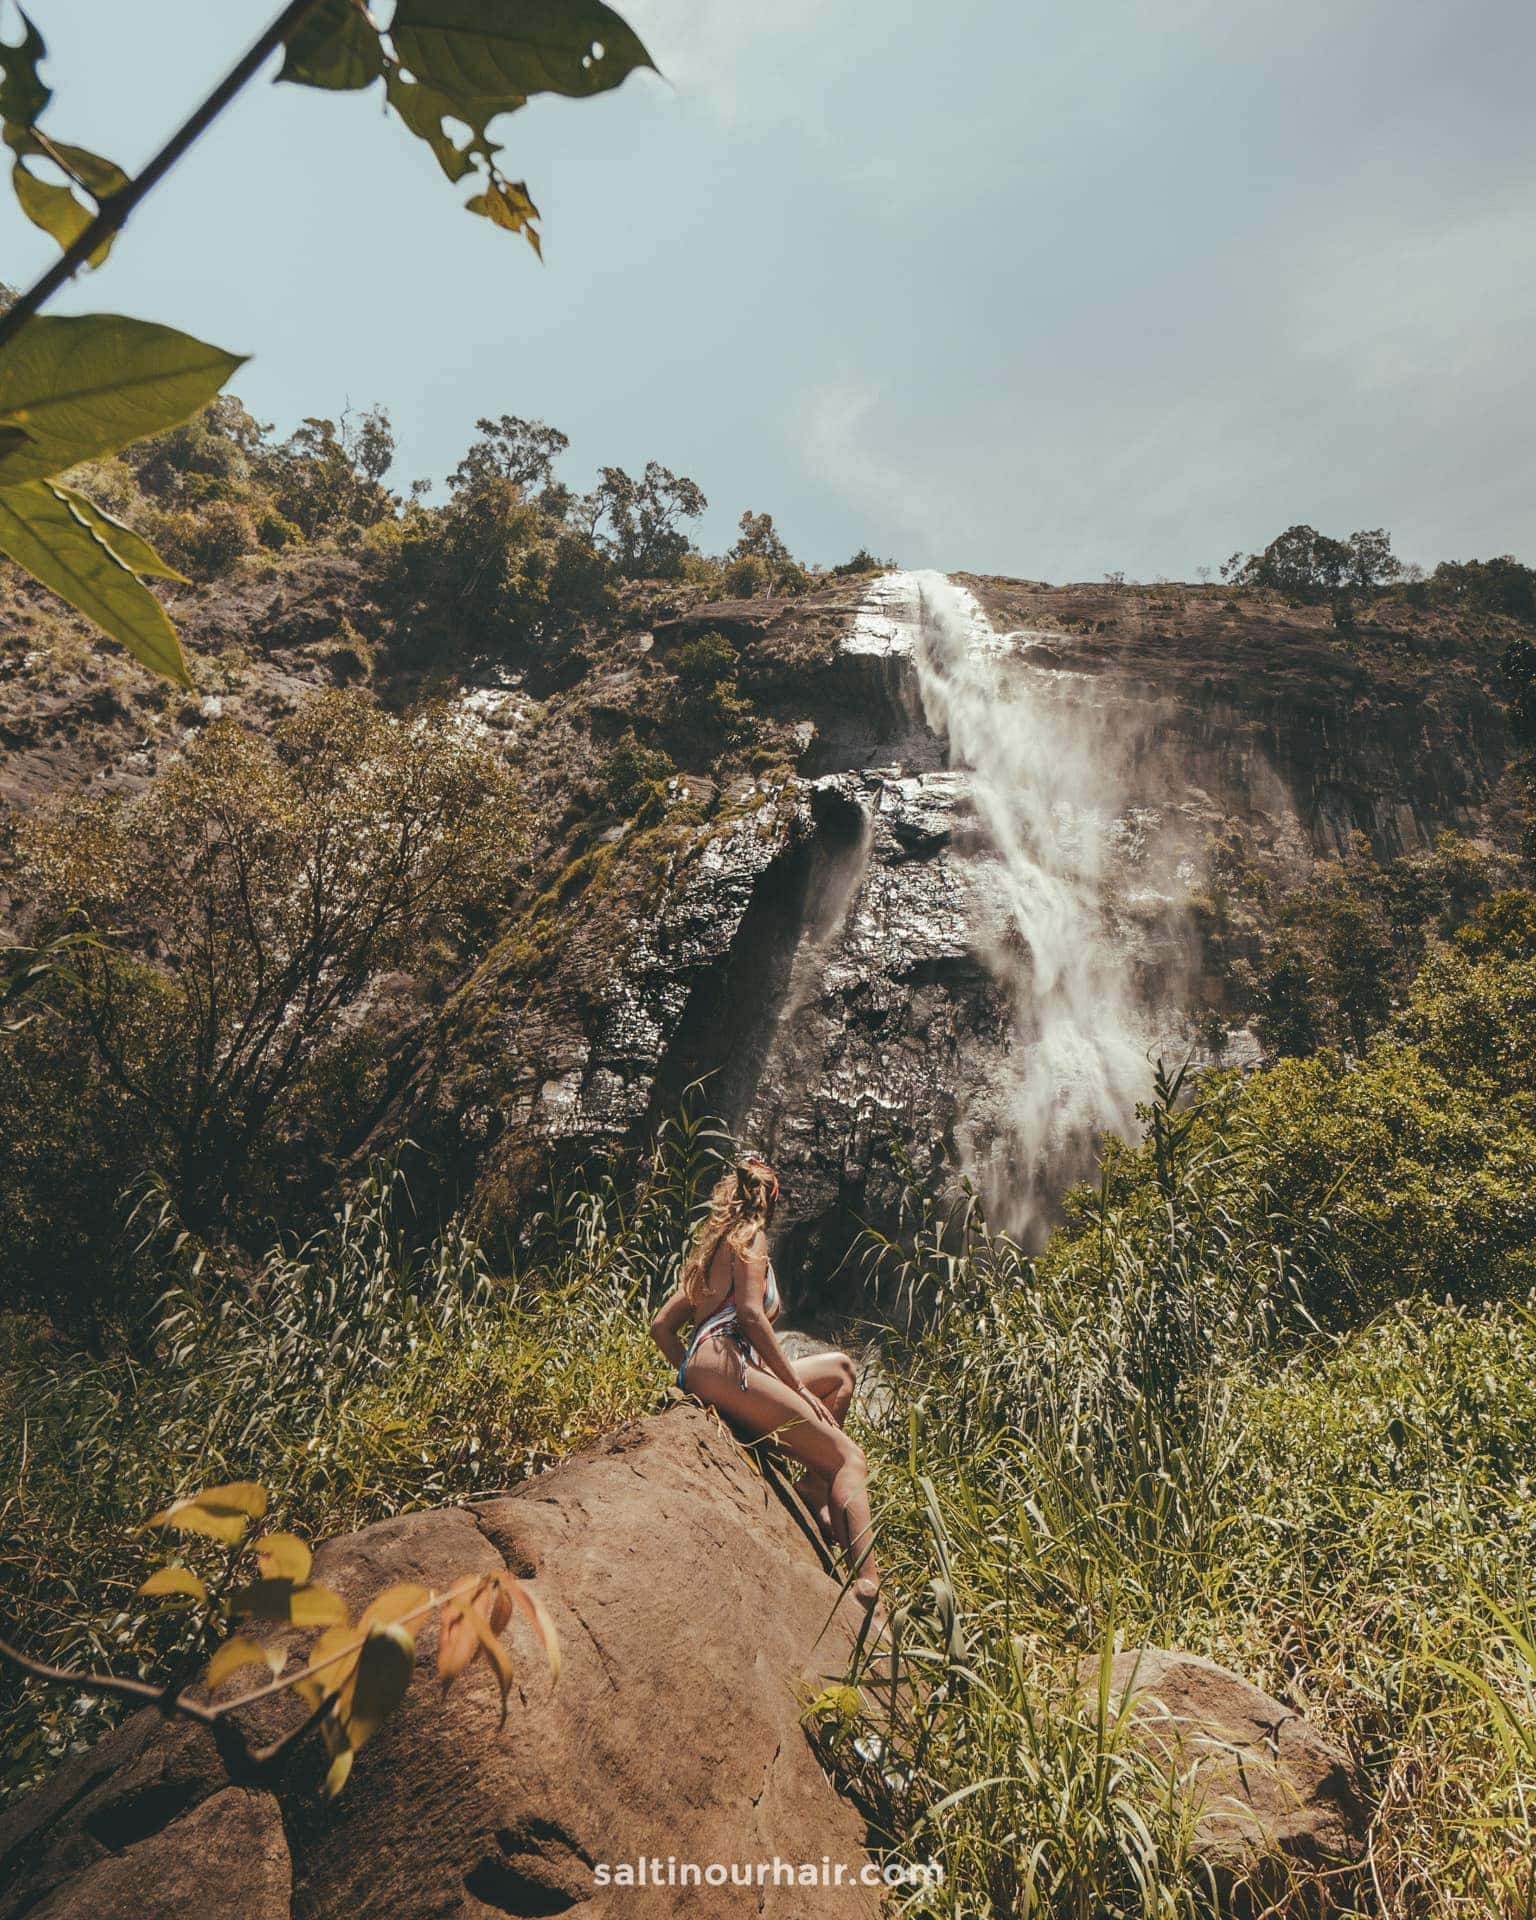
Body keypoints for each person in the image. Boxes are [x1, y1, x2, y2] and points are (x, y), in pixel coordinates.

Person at [649, 1155, 882, 1618]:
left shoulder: (714, 1249)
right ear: (770, 1202)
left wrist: (691, 1376)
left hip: (715, 1364)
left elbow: (661, 1327)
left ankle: (815, 1487)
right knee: (849, 1458)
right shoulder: (750, 1239)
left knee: (840, 1370)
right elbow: (752, 1315)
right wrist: (790, 1381)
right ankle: (868, 1590)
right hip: (728, 1361)